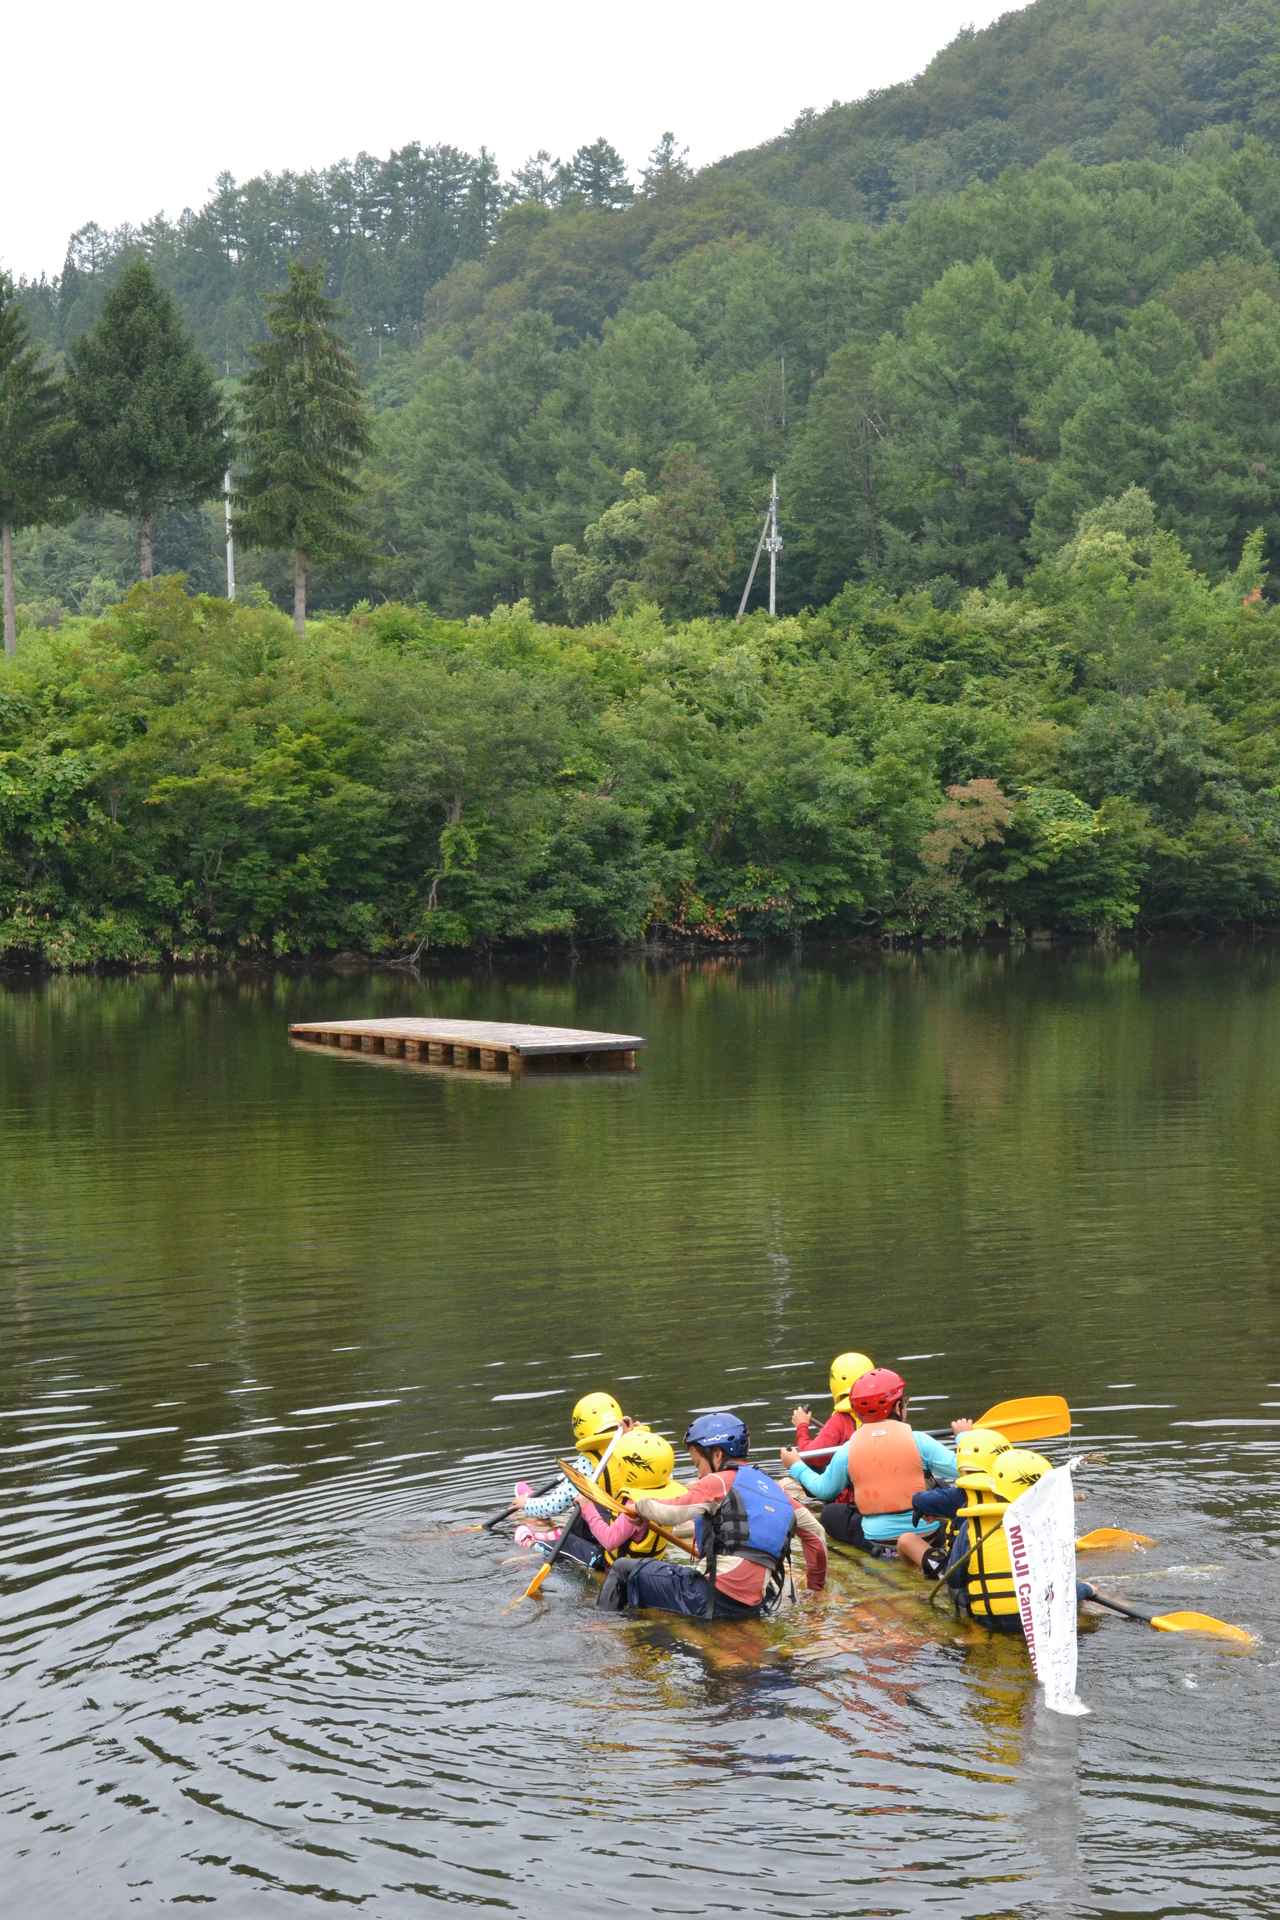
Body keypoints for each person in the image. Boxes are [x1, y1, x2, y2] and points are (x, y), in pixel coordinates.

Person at [597, 1412, 827, 1619]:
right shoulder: (778, 1493)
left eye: (698, 1464)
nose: (698, 1473)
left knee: (622, 1568)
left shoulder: (718, 1481)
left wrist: (639, 1507)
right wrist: (815, 1588)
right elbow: (816, 1534)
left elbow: (670, 1512)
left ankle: (601, 1629)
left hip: (709, 1596)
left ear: (717, 1455)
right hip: (753, 1603)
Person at [779, 1367, 970, 1555]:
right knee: (943, 1488)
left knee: (831, 1513)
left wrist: (796, 1465)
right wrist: (964, 1438)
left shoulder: (848, 1449)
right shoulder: (919, 1440)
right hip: (928, 1533)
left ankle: (881, 1550)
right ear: (897, 1407)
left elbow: (824, 1490)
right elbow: (965, 1468)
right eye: (905, 1402)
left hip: (877, 1538)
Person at [513, 1390, 634, 1570]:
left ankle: (534, 1543)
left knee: (562, 1541)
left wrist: (526, 1505)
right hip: (631, 1530)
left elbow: (555, 1505)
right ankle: (535, 1504)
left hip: (603, 1537)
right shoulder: (635, 1447)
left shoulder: (586, 1463)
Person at [895, 1425, 1010, 1575]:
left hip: (960, 1574)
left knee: (906, 1540)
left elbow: (919, 1500)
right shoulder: (1017, 1492)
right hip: (1007, 1564)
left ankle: (919, 1576)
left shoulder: (957, 1495)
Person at [572, 1428, 689, 1566]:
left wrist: (586, 1507)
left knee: (564, 1542)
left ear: (631, 1471)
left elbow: (609, 1541)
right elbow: (650, 1455)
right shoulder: (666, 1491)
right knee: (598, 1507)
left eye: (620, 1465)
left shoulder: (633, 1507)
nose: (618, 1468)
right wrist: (630, 1433)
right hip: (653, 1562)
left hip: (620, 1567)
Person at [785, 1349, 875, 1479]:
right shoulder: (886, 1414)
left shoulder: (841, 1419)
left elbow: (811, 1457)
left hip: (849, 1491)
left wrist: (802, 1426)